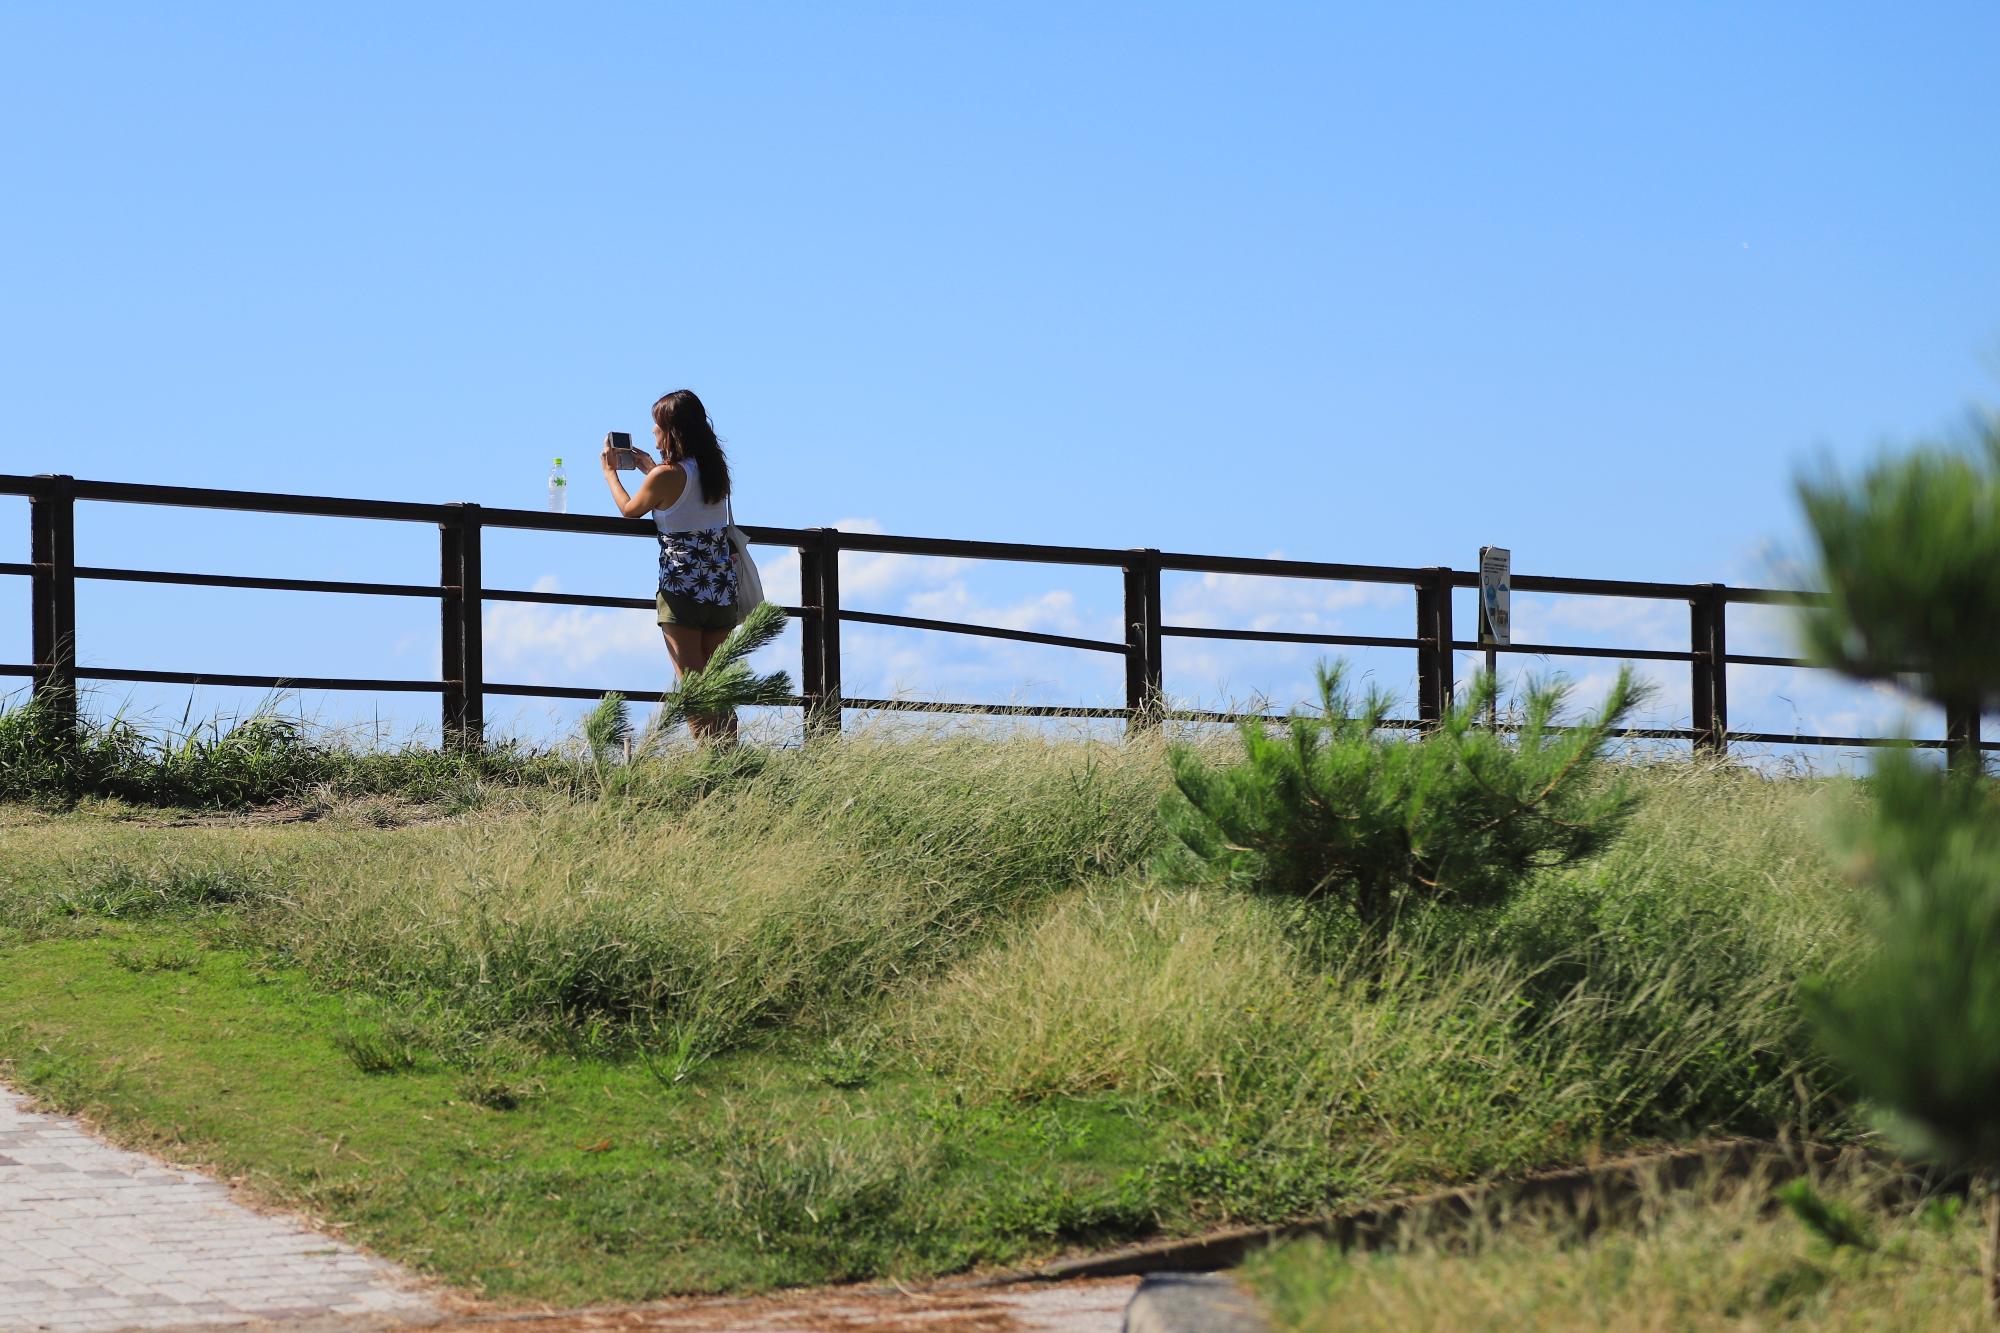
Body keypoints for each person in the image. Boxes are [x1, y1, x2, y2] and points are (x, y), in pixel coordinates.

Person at [600, 389, 739, 743]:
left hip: (682, 592)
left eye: (657, 428)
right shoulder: (714, 471)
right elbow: (683, 498)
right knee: (717, 682)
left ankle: (708, 759)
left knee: (691, 684)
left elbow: (631, 510)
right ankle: (730, 753)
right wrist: (651, 467)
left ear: (672, 431)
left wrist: (610, 474)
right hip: (721, 588)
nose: (654, 435)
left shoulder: (666, 475)